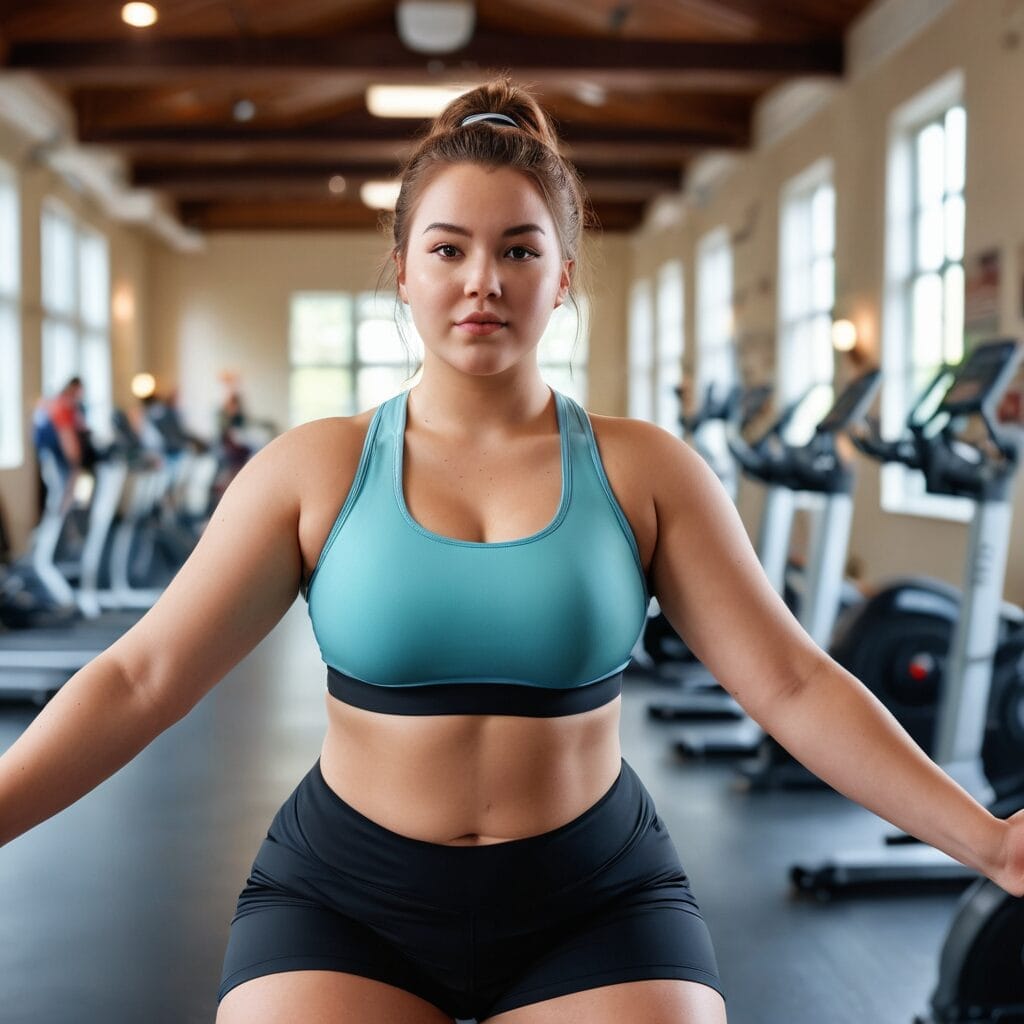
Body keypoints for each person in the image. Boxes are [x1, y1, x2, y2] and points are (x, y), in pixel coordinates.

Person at [1, 78, 1022, 1024]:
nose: (481, 281)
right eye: (447, 249)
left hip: (594, 896)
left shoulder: (644, 471)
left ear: (562, 275)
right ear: (401, 268)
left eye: (519, 250)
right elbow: (141, 676)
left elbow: (793, 683)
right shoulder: (314, 468)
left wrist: (988, 841)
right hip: (346, 897)